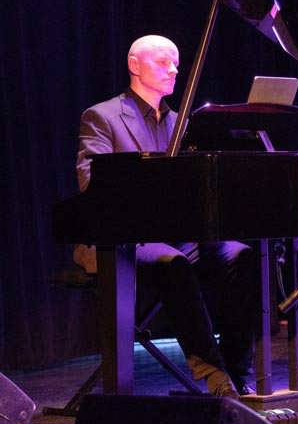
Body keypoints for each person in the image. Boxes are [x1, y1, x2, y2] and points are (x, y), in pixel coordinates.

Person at [74, 34, 260, 399]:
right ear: (134, 65)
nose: (174, 69)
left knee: (243, 257)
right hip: (118, 237)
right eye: (163, 61)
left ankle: (239, 375)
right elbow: (89, 181)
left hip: (176, 236)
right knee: (172, 263)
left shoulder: (183, 124)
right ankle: (215, 376)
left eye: (176, 62)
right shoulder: (102, 117)